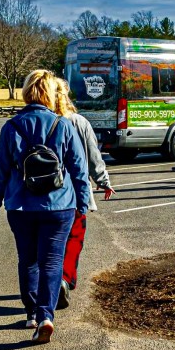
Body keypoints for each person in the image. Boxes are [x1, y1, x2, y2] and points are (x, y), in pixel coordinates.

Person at [0, 70, 90, 344]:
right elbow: (79, 168)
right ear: (51, 94)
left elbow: (0, 172)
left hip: (21, 207)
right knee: (52, 261)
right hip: (59, 206)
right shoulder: (62, 125)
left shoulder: (11, 127)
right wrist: (83, 202)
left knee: (28, 260)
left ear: (27, 91)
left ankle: (31, 312)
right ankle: (46, 316)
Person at [53, 78, 116, 309]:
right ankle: (64, 278)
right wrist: (104, 181)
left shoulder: (42, 120)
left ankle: (48, 282)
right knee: (74, 237)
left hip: (45, 193)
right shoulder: (78, 121)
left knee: (49, 241)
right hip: (75, 191)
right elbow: (92, 155)